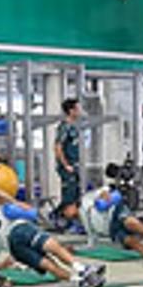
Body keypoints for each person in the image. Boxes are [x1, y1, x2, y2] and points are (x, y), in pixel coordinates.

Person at [0, 197, 107, 287]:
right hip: (20, 230)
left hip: (15, 249)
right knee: (54, 247)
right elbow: (31, 213)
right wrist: (19, 203)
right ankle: (82, 269)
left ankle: (79, 280)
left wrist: (2, 265)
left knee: (49, 265)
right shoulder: (6, 209)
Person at [80, 187, 143, 265]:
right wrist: (80, 250)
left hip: (115, 211)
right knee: (129, 241)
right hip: (111, 228)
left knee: (129, 222)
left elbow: (103, 190)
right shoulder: (83, 221)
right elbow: (92, 239)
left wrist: (104, 195)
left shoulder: (86, 199)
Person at [54, 98, 84, 232]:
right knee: (69, 196)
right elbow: (58, 147)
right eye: (77, 108)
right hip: (68, 166)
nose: (79, 111)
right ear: (71, 111)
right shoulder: (64, 127)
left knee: (75, 194)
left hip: (75, 165)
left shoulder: (73, 126)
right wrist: (65, 165)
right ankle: (64, 221)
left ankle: (65, 218)